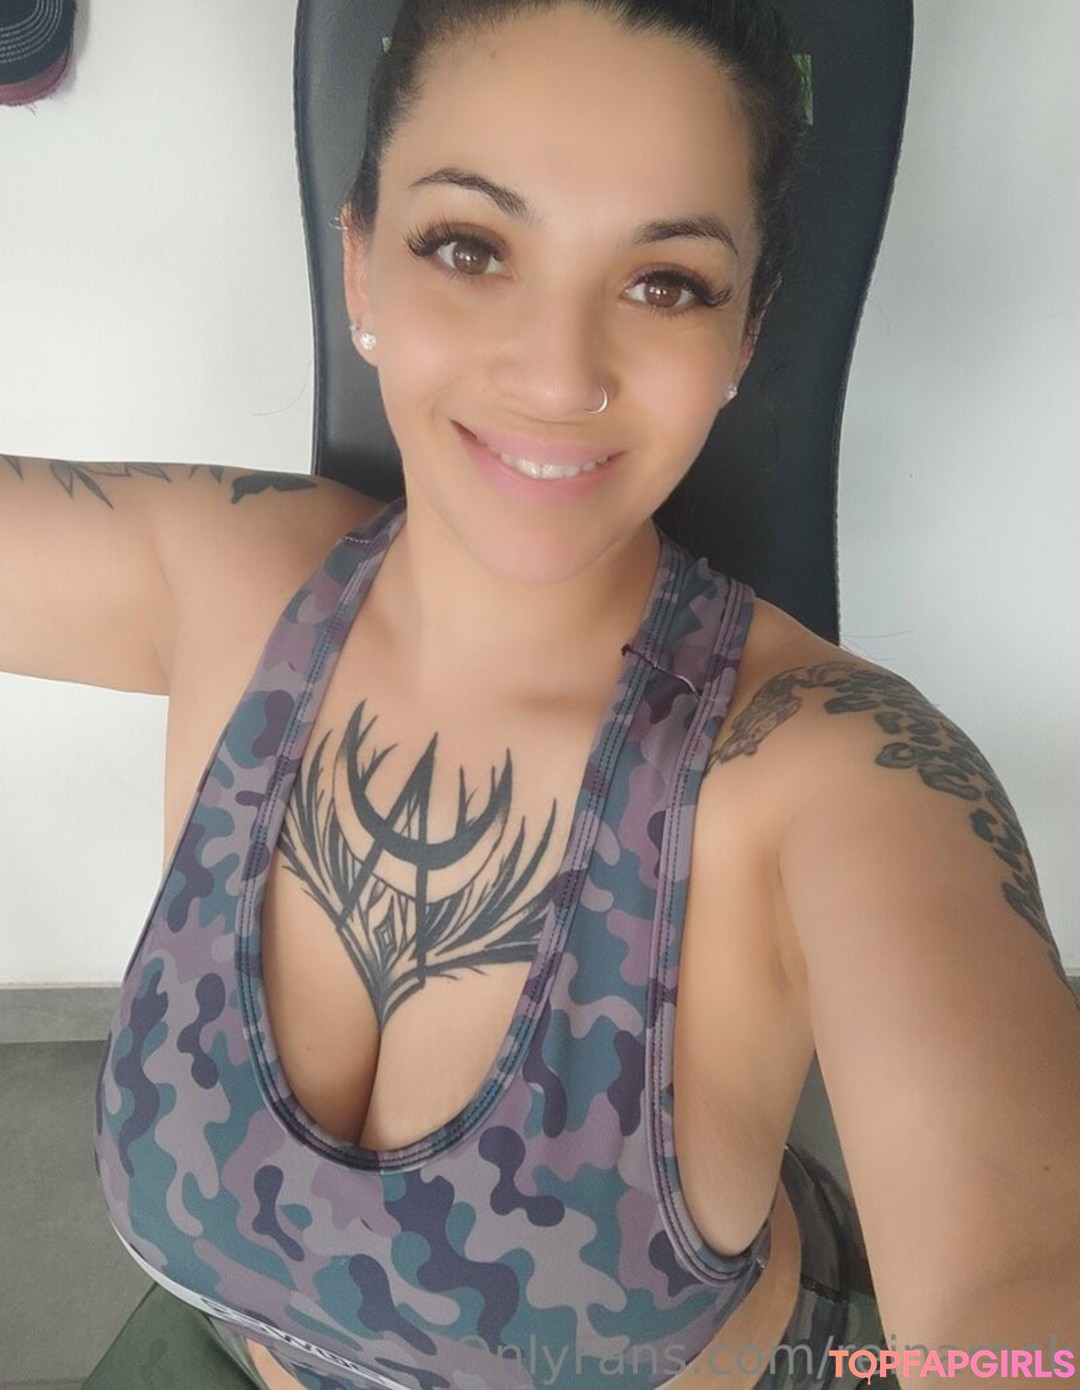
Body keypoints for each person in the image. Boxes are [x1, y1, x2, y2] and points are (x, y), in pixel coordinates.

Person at [1, 2, 1077, 1387]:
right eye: (470, 246)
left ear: (747, 335)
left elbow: (1021, 1299)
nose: (559, 375)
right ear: (361, 267)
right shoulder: (228, 580)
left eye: (667, 282)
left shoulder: (831, 769)